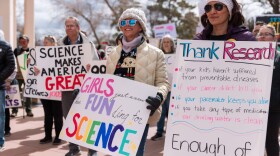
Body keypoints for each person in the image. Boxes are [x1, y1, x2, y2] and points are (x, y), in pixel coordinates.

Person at [106, 8, 170, 156]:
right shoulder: (112, 54)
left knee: (135, 153)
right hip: (113, 112)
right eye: (123, 22)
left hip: (139, 113)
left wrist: (159, 97)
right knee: (115, 152)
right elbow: (106, 83)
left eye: (132, 21)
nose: (127, 24)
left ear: (141, 25)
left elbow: (163, 83)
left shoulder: (156, 53)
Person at [58, 16, 99, 156]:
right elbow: (53, 66)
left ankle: (92, 149)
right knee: (69, 118)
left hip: (85, 88)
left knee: (88, 118)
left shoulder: (89, 45)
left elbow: (97, 65)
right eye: (67, 25)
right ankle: (74, 148)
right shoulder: (60, 45)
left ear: (78, 28)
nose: (69, 28)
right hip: (67, 88)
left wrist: (91, 66)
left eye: (71, 25)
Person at [257, 25, 280, 156]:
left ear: (274, 38)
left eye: (266, 34)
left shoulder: (279, 57)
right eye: (260, 34)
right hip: (252, 108)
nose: (263, 37)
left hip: (273, 108)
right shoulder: (248, 56)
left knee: (271, 141)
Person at [37, 35, 63, 145]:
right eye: (44, 42)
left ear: (53, 43)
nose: (44, 44)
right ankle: (47, 136)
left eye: (46, 42)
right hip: (45, 89)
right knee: (47, 114)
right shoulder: (40, 56)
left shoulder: (61, 55)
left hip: (57, 89)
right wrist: (31, 63)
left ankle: (58, 136)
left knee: (57, 114)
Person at [151, 34, 175, 141]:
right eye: (164, 42)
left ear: (172, 44)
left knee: (171, 112)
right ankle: (159, 132)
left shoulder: (177, 56)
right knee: (161, 111)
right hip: (161, 88)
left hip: (173, 89)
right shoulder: (158, 56)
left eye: (168, 42)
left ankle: (171, 132)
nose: (166, 44)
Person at [0, 29, 16, 151]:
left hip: (0, 86)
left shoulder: (5, 46)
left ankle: (0, 141)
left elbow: (11, 65)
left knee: (1, 114)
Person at [12, 35, 33, 117]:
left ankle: (29, 110)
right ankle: (14, 110)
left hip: (29, 75)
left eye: (24, 41)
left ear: (28, 42)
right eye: (21, 41)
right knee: (15, 92)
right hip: (18, 75)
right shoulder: (16, 51)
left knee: (29, 93)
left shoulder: (32, 51)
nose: (22, 43)